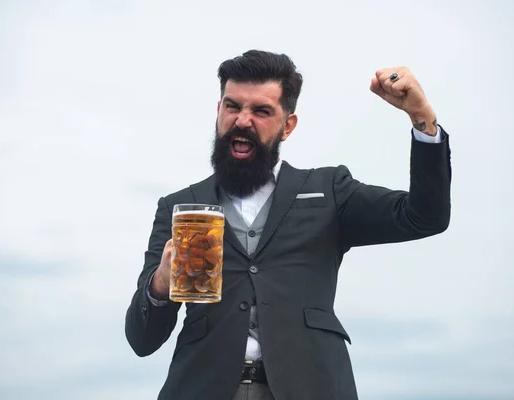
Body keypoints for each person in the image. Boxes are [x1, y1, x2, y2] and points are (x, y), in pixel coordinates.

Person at [125, 49, 451, 400]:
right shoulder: (178, 207)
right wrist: (159, 285)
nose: (242, 121)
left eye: (261, 111)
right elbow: (142, 340)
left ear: (288, 125)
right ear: (219, 111)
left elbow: (424, 217)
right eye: (233, 106)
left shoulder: (329, 191)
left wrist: (421, 117)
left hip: (311, 387)